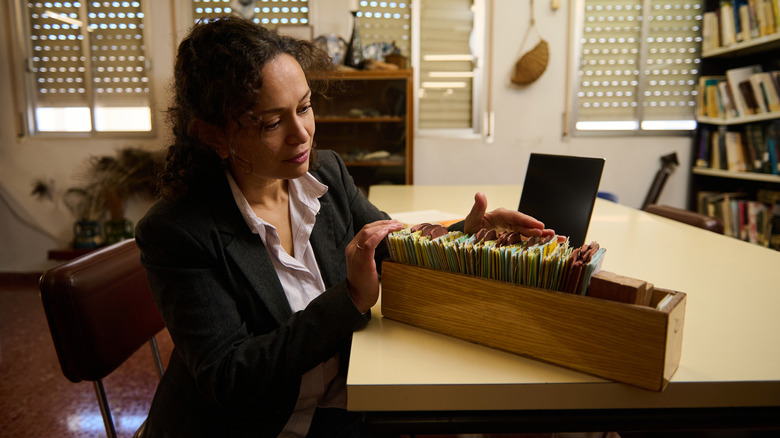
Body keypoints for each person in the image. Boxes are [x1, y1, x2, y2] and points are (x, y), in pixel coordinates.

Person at [134, 15, 556, 438]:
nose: (302, 135)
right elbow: (230, 375)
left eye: (304, 107)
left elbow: (389, 244)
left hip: (337, 402)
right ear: (213, 135)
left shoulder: (325, 175)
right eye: (272, 123)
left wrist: (466, 232)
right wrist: (351, 298)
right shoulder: (177, 231)